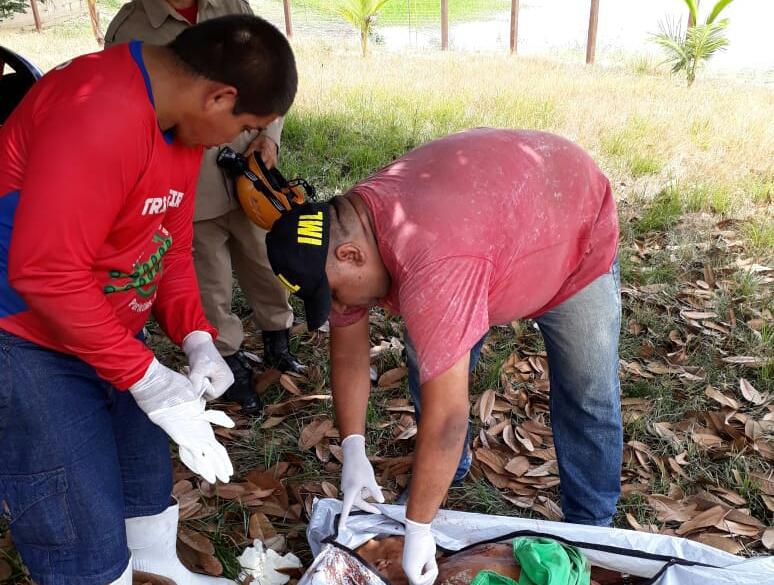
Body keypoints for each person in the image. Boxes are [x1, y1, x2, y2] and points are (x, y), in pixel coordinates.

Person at [0, 15, 296, 585]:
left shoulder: (179, 123)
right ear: (220, 96)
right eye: (245, 127)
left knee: (142, 478)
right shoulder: (98, 112)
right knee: (76, 519)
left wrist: (196, 338)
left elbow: (170, 246)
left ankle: (157, 569)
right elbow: (46, 273)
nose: (234, 144)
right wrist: (146, 377)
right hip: (25, 337)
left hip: (107, 328)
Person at [265, 128, 622, 585]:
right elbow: (350, 348)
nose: (337, 308)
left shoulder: (434, 264)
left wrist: (417, 529)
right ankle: (447, 473)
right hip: (490, 239)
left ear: (352, 255)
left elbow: (448, 415)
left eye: (331, 294)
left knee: (587, 391)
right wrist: (353, 446)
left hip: (572, 233)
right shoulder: (355, 223)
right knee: (429, 355)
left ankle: (592, 528)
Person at [105, 0, 305, 415]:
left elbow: (264, 75)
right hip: (189, 190)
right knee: (207, 279)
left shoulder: (231, 5)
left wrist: (268, 135)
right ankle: (226, 357)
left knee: (265, 260)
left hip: (251, 178)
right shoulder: (130, 27)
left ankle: (277, 338)